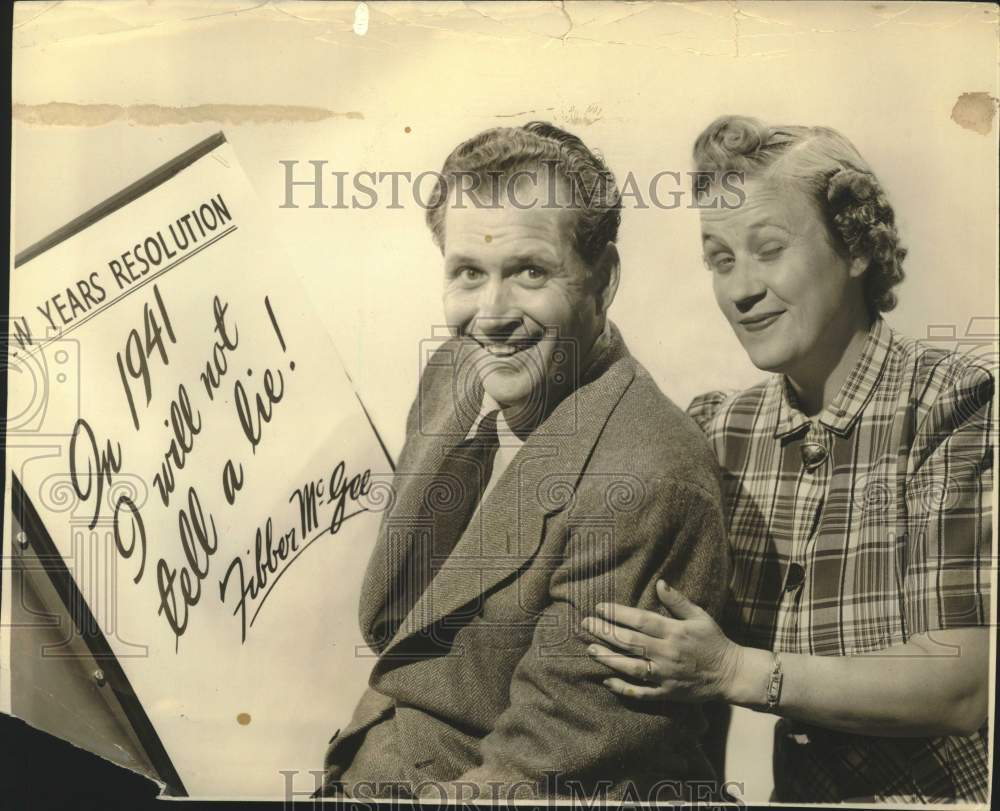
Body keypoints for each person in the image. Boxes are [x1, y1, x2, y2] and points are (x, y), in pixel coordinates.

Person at [584, 116, 994, 804]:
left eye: (768, 249)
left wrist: (737, 670)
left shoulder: (949, 403)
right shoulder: (718, 431)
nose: (741, 289)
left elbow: (962, 684)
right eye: (720, 259)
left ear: (857, 246)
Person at [318, 122, 730, 802]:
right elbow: (412, 635)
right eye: (469, 273)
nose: (492, 313)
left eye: (530, 271)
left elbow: (535, 770)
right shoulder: (457, 372)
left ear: (604, 279)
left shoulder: (645, 479)